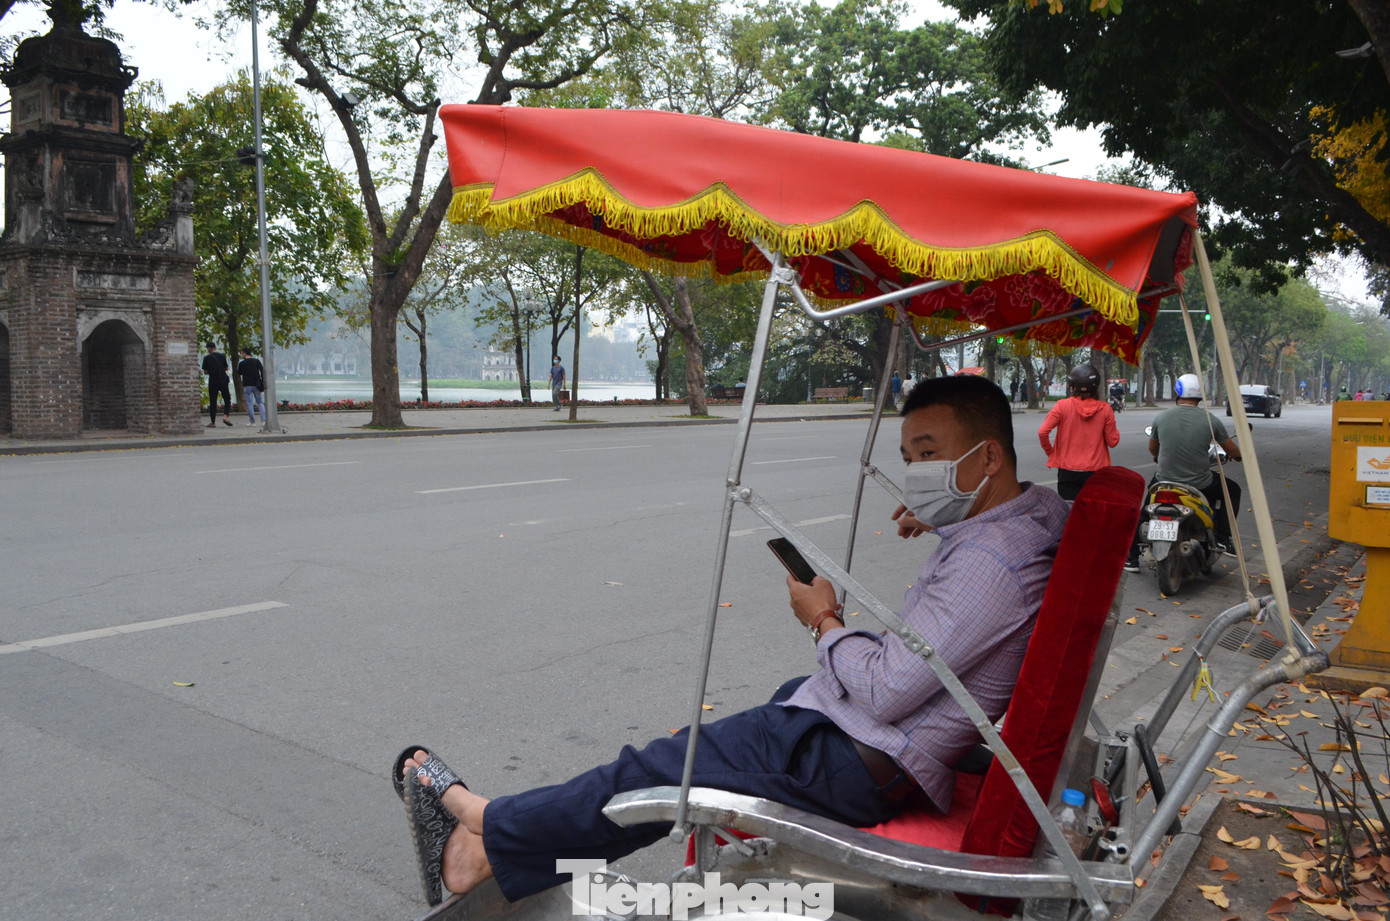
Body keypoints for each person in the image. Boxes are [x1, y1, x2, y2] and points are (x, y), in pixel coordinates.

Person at [395, 376, 1071, 906]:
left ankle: (483, 836)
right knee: (739, 728)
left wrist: (823, 620)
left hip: (867, 755)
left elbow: (894, 687)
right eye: (909, 458)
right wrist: (954, 518)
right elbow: (992, 565)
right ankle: (520, 837)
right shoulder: (1020, 521)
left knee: (662, 769)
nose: (917, 471)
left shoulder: (992, 561)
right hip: (868, 737)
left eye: (930, 456)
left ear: (987, 457)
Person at [1125, 373, 1242, 570]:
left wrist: (1158, 456)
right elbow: (1230, 448)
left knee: (1145, 511)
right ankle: (1223, 537)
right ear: (1200, 395)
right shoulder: (1210, 419)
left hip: (1164, 481)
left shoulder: (1162, 417)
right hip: (1199, 483)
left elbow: (1153, 449)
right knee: (1233, 490)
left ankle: (1131, 557)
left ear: (1178, 392)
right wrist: (1238, 456)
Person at [1038, 363, 1120, 500]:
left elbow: (1042, 432)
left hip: (1067, 471)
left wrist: (1052, 453)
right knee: (1092, 512)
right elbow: (1113, 442)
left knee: (1069, 513)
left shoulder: (1062, 406)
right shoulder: (1105, 409)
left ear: (1072, 386)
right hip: (1096, 472)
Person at [201, 342, 232, 428]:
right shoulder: (222, 356)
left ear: (209, 348)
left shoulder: (207, 358)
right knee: (227, 399)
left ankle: (213, 422)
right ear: (215, 347)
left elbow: (206, 371)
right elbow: (226, 368)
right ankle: (225, 416)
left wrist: (212, 371)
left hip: (213, 381)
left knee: (213, 401)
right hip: (223, 380)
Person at [237, 347, 266, 426]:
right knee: (260, 402)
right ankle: (263, 421)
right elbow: (262, 370)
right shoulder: (256, 361)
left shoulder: (242, 363)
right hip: (257, 384)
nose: (241, 354)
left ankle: (252, 422)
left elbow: (239, 373)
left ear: (245, 353)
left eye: (242, 353)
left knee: (249, 403)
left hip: (247, 385)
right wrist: (262, 380)